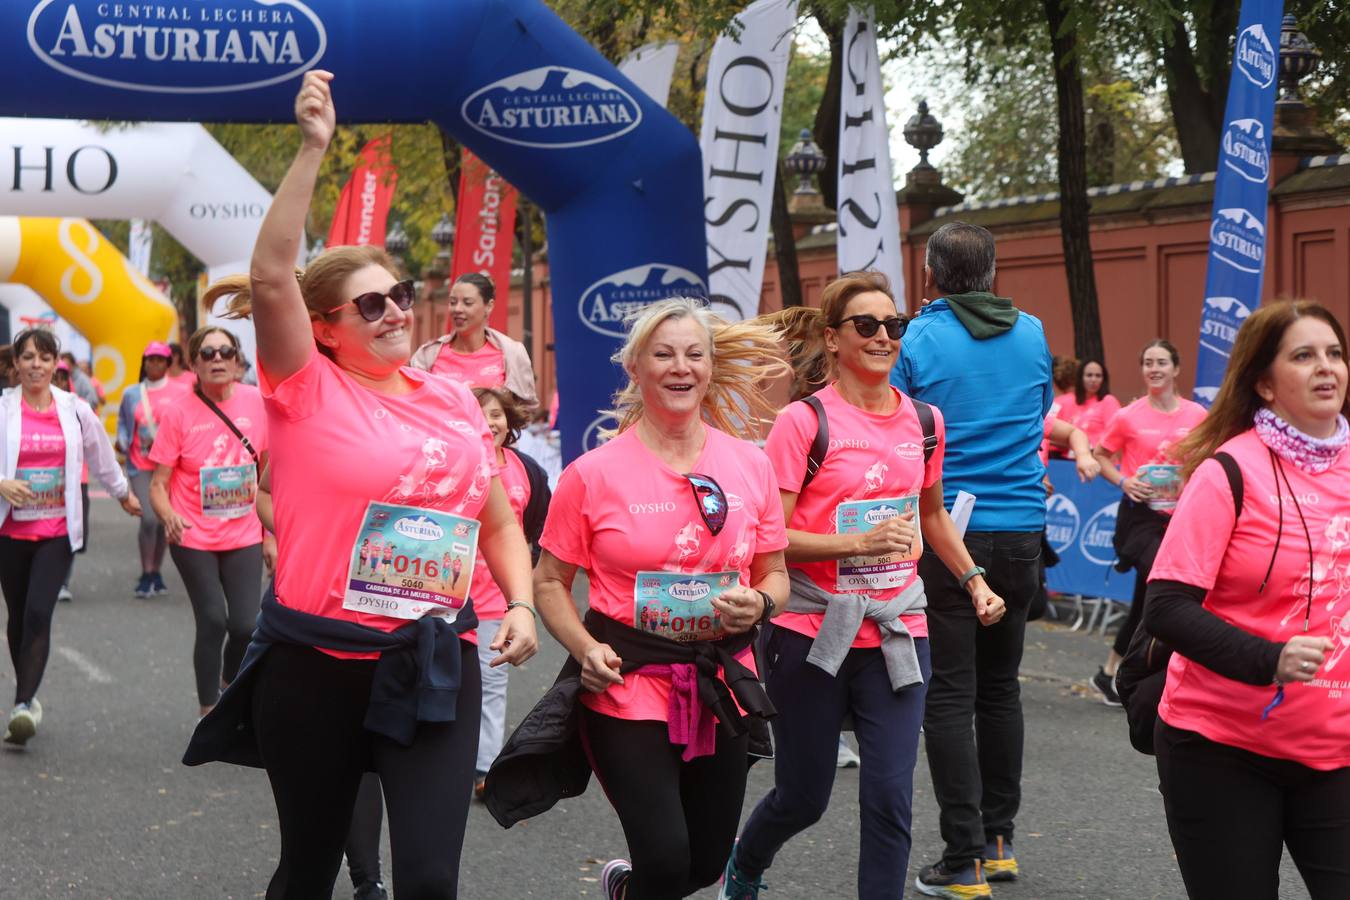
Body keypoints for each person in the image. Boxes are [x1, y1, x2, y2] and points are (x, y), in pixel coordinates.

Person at [183, 70, 538, 900]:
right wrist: (313, 149)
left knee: (426, 879)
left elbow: (496, 522)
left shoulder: (455, 399)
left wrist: (518, 602)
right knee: (308, 869)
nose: (393, 313)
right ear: (328, 331)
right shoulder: (304, 390)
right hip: (316, 670)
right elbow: (272, 278)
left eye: (400, 296)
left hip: (433, 656)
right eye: (369, 305)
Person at [720, 273, 1005, 900]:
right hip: (809, 631)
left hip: (899, 629)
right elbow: (771, 536)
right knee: (804, 796)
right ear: (832, 338)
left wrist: (973, 579)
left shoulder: (925, 421)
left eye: (893, 325)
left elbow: (931, 515)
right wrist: (857, 544)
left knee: (888, 797)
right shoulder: (803, 422)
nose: (884, 336)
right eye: (867, 326)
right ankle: (745, 860)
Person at [528, 297, 790, 900]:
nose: (681, 367)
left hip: (720, 680)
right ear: (636, 368)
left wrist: (763, 604)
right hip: (627, 680)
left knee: (703, 864)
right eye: (664, 354)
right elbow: (549, 581)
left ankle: (627, 888)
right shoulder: (592, 474)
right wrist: (585, 647)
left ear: (710, 366)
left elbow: (774, 572)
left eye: (695, 354)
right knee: (667, 860)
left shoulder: (750, 465)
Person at [1144, 300, 1350, 900]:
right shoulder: (1228, 472)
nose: (1326, 368)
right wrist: (1269, 658)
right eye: (1304, 356)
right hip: (1221, 749)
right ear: (1264, 382)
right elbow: (1166, 608)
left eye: (1334, 353)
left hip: (1334, 750)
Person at [890, 222, 1052, 897]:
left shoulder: (919, 339)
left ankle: (962, 861)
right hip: (1022, 528)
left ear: (931, 275)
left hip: (948, 530)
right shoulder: (1034, 332)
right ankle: (999, 841)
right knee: (1000, 689)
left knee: (950, 693)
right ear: (992, 271)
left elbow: (898, 427)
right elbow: (1040, 411)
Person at [1, 328, 141, 746]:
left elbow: (100, 454)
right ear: (16, 366)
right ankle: (26, 696)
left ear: (55, 364)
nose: (36, 365)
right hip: (10, 529)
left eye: (44, 358)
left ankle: (24, 703)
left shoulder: (75, 409)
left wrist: (123, 494)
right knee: (18, 617)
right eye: (27, 358)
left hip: (58, 528)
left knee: (39, 613)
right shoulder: (4, 409)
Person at [148, 326, 268, 718]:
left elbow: (270, 476)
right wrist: (168, 516)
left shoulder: (257, 404)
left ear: (237, 361)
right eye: (208, 353)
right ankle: (208, 711)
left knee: (247, 626)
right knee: (214, 618)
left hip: (245, 531)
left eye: (225, 352)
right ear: (195, 364)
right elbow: (158, 485)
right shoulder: (179, 412)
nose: (217, 359)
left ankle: (228, 683)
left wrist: (272, 534)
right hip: (193, 533)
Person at [1089, 340, 1206, 706]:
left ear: (1176, 369)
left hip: (1181, 519)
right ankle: (1156, 673)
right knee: (1163, 582)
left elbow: (1209, 457)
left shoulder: (1197, 415)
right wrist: (1124, 481)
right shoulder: (1128, 415)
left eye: (1161, 362)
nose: (1154, 369)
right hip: (1139, 517)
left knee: (1147, 599)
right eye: (1148, 363)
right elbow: (1101, 455)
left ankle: (1110, 673)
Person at [118, 340, 191, 598]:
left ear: (168, 363)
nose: (155, 364)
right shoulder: (132, 394)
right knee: (149, 518)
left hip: (168, 466)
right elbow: (124, 422)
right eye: (151, 359)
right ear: (144, 363)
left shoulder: (183, 390)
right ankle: (146, 570)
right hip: (140, 463)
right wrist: (122, 441)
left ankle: (156, 572)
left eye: (160, 360)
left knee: (162, 521)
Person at [409, 272, 538, 409]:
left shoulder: (512, 353)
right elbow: (412, 406)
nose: (457, 309)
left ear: (489, 306)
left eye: (467, 303)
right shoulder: (426, 356)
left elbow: (524, 411)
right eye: (453, 302)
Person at [1056, 358, 1119, 449]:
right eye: (1089, 375)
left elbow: (1115, 436)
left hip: (1096, 458)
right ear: (1081, 378)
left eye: (1098, 376)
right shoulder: (1071, 402)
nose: (1093, 379)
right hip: (1069, 458)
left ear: (1103, 379)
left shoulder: (1108, 401)